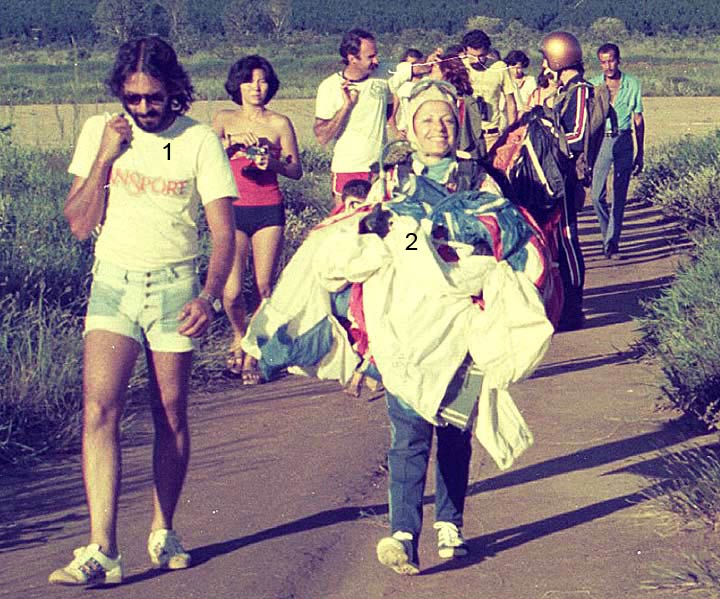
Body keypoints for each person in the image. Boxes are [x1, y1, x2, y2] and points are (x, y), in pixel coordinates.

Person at [48, 36, 237, 587]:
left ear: (173, 90)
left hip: (175, 287)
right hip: (114, 283)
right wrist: (105, 157)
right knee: (98, 410)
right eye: (132, 97)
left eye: (154, 97)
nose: (143, 108)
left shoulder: (198, 140)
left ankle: (163, 530)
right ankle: (102, 548)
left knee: (170, 412)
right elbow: (79, 223)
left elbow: (223, 233)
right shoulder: (100, 132)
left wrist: (207, 296)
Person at [212, 55, 303, 383]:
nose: (256, 87)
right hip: (232, 210)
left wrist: (272, 163)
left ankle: (253, 350)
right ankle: (239, 334)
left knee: (264, 287)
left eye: (263, 81)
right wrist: (232, 145)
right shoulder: (224, 119)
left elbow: (295, 168)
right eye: (249, 81)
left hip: (268, 209)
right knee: (232, 291)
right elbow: (206, 159)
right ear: (237, 85)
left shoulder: (280, 123)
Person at [540, 31, 591, 330]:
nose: (544, 65)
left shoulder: (581, 91)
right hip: (557, 176)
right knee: (558, 239)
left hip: (568, 177)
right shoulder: (566, 91)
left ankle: (573, 307)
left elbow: (577, 136)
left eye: (546, 59)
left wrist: (545, 137)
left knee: (569, 239)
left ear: (559, 59)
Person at [314, 28, 392, 207]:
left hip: (379, 169)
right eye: (370, 57)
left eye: (376, 55)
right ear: (352, 58)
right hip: (348, 168)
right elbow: (322, 136)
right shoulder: (329, 86)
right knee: (346, 220)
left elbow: (415, 68)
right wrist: (346, 107)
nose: (376, 60)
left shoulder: (383, 74)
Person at [589, 42, 644, 260]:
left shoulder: (632, 84)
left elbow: (638, 118)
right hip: (601, 141)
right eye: (603, 62)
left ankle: (612, 244)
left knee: (619, 195)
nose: (608, 66)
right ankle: (607, 236)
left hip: (624, 139)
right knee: (596, 196)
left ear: (618, 60)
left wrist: (640, 152)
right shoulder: (593, 85)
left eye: (611, 61)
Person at [461, 29, 517, 151]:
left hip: (491, 135)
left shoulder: (499, 67)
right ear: (465, 51)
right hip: (466, 135)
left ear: (487, 52)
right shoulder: (459, 67)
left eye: (481, 56)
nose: (477, 60)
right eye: (472, 56)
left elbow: (510, 101)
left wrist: (512, 130)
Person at [389, 48, 427, 137]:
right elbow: (391, 115)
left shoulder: (427, 81)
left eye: (415, 64)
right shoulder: (400, 86)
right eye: (410, 65)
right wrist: (397, 132)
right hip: (406, 131)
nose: (413, 68)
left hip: (424, 130)